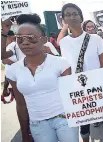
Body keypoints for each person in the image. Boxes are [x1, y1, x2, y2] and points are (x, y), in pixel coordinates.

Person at [4, 13, 80, 142]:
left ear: (43, 39)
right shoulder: (13, 70)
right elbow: (21, 105)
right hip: (37, 124)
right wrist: (24, 133)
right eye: (20, 39)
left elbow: (74, 93)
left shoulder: (61, 63)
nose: (26, 43)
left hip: (64, 119)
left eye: (31, 38)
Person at [59, 3, 103, 142]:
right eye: (68, 15)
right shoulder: (64, 43)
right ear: (64, 20)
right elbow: (66, 67)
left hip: (97, 87)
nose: (71, 17)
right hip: (77, 89)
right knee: (82, 122)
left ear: (81, 17)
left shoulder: (96, 39)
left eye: (75, 14)